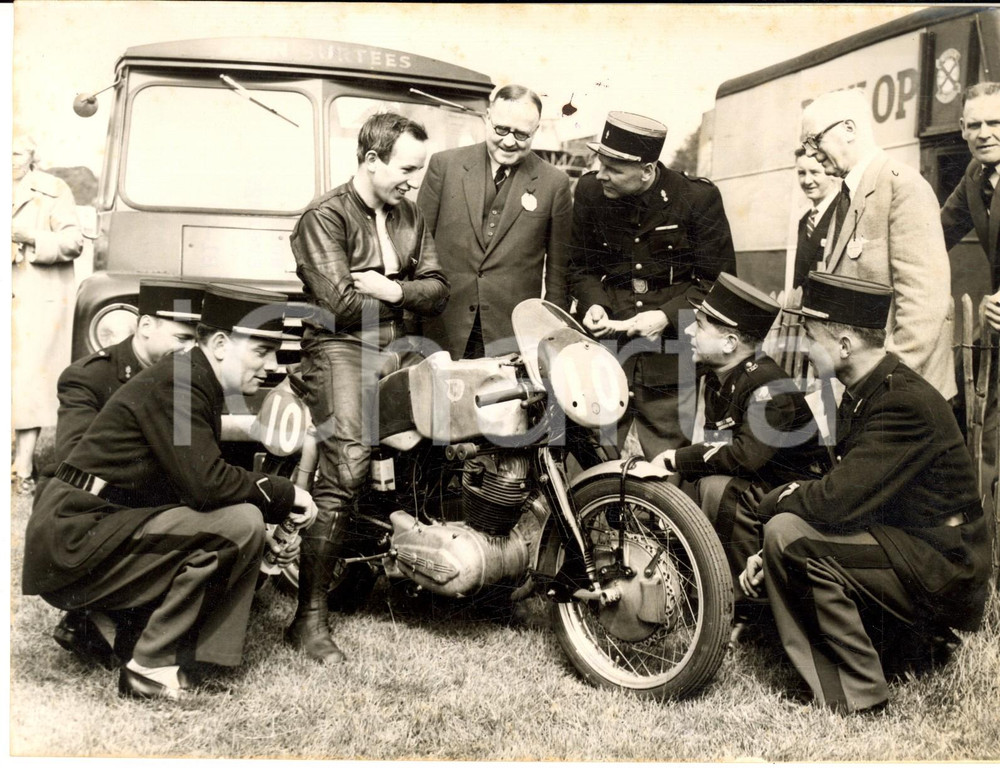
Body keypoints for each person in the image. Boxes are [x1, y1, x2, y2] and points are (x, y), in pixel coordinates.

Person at [22, 284, 317, 701]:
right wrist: (286, 494)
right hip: (74, 538)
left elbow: (189, 487)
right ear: (220, 344)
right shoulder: (180, 382)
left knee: (242, 526)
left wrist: (263, 531)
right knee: (239, 525)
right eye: (261, 351)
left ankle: (115, 629)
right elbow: (208, 484)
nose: (272, 366)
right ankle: (150, 667)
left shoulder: (190, 377)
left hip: (91, 526)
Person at [740, 271, 991, 714]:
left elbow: (834, 502)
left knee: (788, 535)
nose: (805, 349)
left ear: (844, 345)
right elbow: (853, 500)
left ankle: (857, 696)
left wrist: (771, 504)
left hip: (945, 565)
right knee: (787, 535)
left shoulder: (900, 401)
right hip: (912, 545)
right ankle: (909, 648)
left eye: (812, 337)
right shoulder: (869, 390)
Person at [289, 112, 449, 663]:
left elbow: (440, 289)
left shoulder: (410, 215)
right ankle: (308, 618)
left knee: (456, 432)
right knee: (349, 464)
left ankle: (426, 566)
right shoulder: (324, 216)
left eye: (419, 169)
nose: (413, 180)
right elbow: (339, 305)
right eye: (406, 169)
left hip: (399, 342)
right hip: (338, 347)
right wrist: (406, 291)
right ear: (372, 160)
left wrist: (391, 290)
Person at [570, 111, 736, 457]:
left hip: (670, 355)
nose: (601, 175)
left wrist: (665, 316)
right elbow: (580, 267)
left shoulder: (696, 198)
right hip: (607, 349)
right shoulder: (590, 191)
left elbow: (717, 281)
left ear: (647, 170)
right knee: (593, 454)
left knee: (665, 460)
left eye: (613, 169)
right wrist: (595, 303)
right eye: (600, 164)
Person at [653, 273, 828, 600]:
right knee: (703, 485)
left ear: (730, 343)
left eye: (700, 326)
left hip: (797, 497)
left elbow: (746, 456)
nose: (689, 331)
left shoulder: (767, 385)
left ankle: (741, 603)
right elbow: (718, 445)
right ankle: (701, 588)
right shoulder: (720, 377)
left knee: (719, 490)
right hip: (763, 485)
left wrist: (677, 459)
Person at [799, 88, 956, 400]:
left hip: (901, 394)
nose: (811, 152)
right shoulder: (847, 195)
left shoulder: (903, 187)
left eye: (814, 140)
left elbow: (923, 305)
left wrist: (884, 383)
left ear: (849, 128)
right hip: (866, 389)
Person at [418, 84, 572, 359]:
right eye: (501, 129)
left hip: (511, 336)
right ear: (487, 118)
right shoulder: (444, 166)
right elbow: (418, 249)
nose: (509, 142)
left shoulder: (555, 183)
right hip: (442, 325)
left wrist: (548, 338)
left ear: (536, 130)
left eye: (521, 134)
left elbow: (558, 274)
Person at [50, 278, 207, 472]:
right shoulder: (88, 377)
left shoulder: (192, 376)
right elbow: (74, 460)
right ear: (146, 326)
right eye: (183, 338)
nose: (192, 350)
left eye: (198, 342)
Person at [11, 135, 84, 494]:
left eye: (15, 152)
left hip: (34, 299)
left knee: (29, 380)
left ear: (32, 157)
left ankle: (22, 467)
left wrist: (30, 236)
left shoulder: (53, 190)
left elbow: (73, 242)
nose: (8, 159)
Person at [940, 81, 1000, 487]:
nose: (984, 133)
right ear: (962, 128)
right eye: (975, 124)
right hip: (996, 327)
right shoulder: (975, 175)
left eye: (995, 122)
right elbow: (936, 232)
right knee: (976, 418)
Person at [792, 147, 840, 287]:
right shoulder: (805, 220)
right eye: (801, 173)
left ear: (831, 173)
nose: (807, 181)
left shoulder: (842, 213)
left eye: (814, 172)